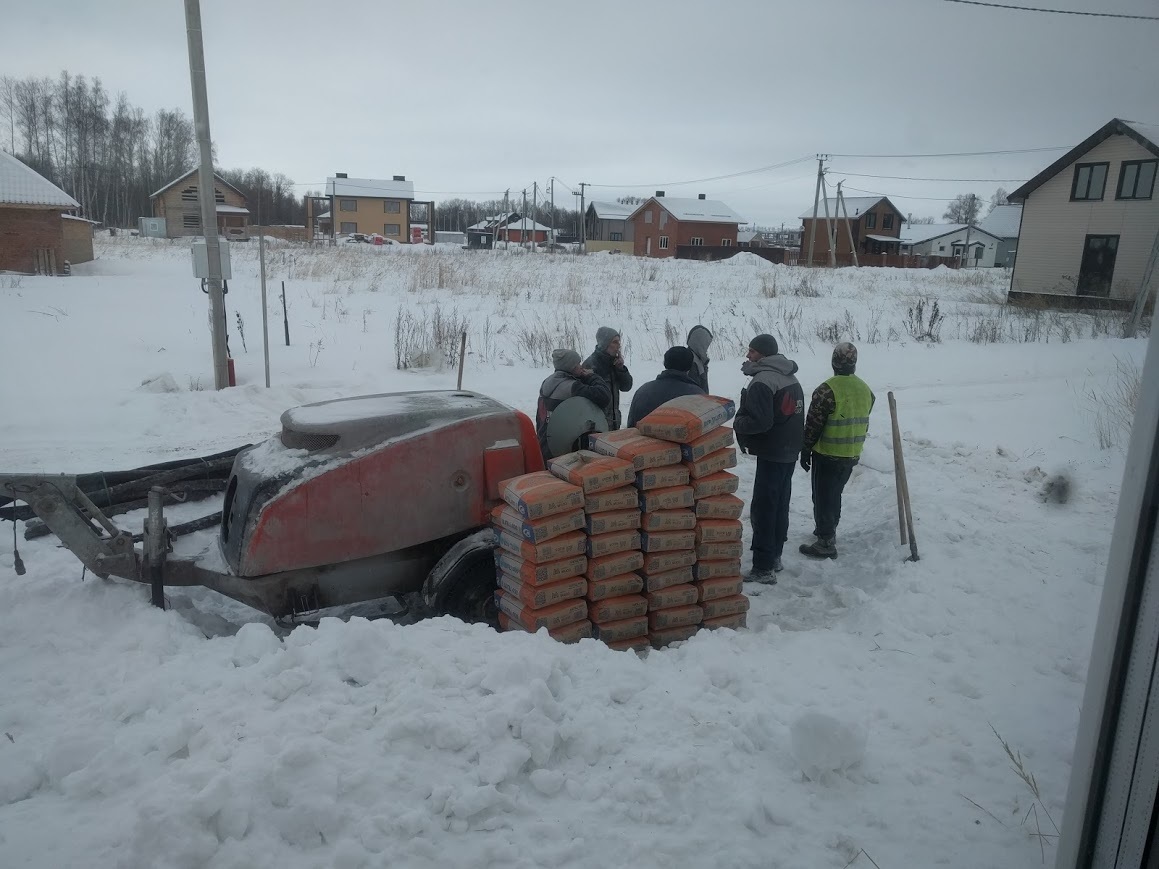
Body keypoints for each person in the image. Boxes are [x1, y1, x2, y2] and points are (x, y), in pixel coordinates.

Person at [733, 334, 804, 582]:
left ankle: (763, 568)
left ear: (763, 355)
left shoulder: (763, 381)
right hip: (788, 450)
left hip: (772, 451)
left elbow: (761, 422)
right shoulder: (789, 376)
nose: (747, 355)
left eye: (751, 351)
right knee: (779, 504)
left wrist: (738, 422)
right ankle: (775, 556)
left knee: (764, 508)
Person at [799, 342, 875, 560]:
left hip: (828, 453)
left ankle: (825, 541)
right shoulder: (865, 389)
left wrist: (805, 449)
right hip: (851, 452)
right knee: (834, 494)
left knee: (824, 497)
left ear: (833, 362)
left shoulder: (826, 390)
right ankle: (827, 529)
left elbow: (813, 425)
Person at [536, 349, 612, 461]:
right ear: (570, 367)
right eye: (578, 364)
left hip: (546, 445)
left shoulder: (547, 383)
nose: (581, 367)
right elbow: (603, 396)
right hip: (563, 450)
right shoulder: (572, 387)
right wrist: (591, 377)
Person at [625, 346, 706, 428]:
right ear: (690, 367)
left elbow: (630, 427)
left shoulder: (642, 391)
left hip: (641, 440)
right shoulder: (697, 395)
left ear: (665, 363)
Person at [583, 326, 633, 430]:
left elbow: (626, 386)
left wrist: (621, 369)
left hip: (614, 422)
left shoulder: (615, 363)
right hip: (597, 424)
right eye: (615, 342)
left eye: (619, 342)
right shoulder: (590, 364)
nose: (618, 346)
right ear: (605, 344)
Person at [687, 325, 713, 393]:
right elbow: (694, 392)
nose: (707, 348)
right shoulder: (691, 362)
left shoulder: (698, 358)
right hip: (697, 402)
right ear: (700, 344)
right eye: (706, 344)